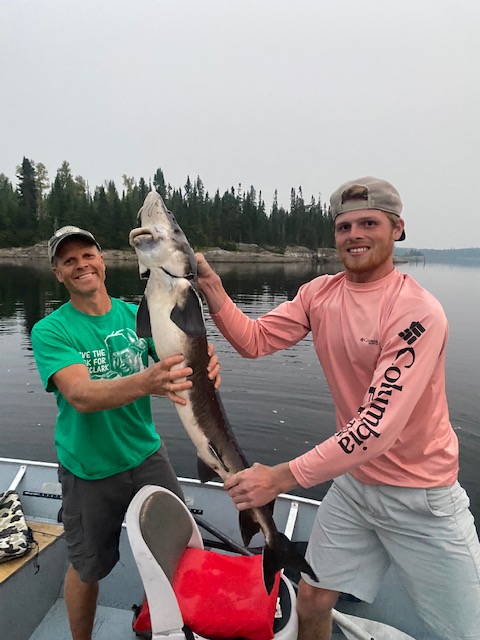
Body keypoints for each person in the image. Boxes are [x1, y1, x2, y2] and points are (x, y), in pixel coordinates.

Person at [195, 176, 480, 640]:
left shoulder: (416, 313)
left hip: (420, 497)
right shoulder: (319, 294)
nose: (355, 235)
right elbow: (254, 340)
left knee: (464, 630)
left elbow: (376, 428)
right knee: (311, 598)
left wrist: (279, 477)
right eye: (344, 227)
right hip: (354, 487)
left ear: (397, 229)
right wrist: (213, 288)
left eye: (369, 223)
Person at [30, 225, 221, 640]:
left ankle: (176, 626)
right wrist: (147, 382)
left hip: (148, 457)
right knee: (88, 568)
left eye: (87, 255)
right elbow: (80, 394)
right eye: (68, 261)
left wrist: (203, 365)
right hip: (89, 470)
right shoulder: (50, 331)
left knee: (181, 551)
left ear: (102, 260)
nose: (81, 265)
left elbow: (174, 359)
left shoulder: (137, 313)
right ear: (57, 274)